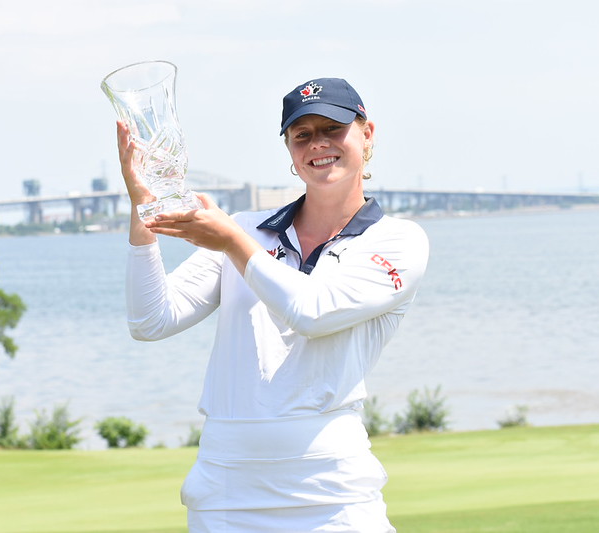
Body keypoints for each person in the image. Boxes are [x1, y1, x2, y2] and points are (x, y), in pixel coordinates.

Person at [117, 77, 429, 532]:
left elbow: (313, 313)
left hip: (332, 491)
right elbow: (150, 320)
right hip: (226, 490)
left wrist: (232, 242)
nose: (318, 144)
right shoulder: (246, 228)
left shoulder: (399, 240)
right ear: (288, 148)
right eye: (302, 135)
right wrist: (143, 211)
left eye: (333, 128)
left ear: (367, 133)